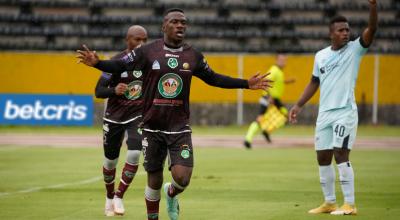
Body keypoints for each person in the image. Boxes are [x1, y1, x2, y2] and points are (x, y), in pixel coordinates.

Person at [77, 8, 272, 220]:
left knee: (183, 178)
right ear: (164, 26)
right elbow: (119, 64)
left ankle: (172, 193)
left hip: (179, 127)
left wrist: (245, 84)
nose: (180, 25)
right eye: (175, 22)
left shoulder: (193, 56)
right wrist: (98, 64)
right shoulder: (147, 51)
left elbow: (214, 79)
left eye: (183, 23)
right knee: (154, 178)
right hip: (151, 126)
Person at [288, 0, 377, 215]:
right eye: (341, 30)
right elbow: (314, 82)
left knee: (341, 154)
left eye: (347, 29)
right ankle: (329, 202)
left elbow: (372, 29)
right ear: (331, 34)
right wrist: (298, 105)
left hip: (344, 112)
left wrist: (373, 7)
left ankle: (350, 204)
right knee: (323, 157)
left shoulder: (355, 50)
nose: (346, 33)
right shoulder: (321, 56)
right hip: (325, 114)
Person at [95, 25, 147, 216]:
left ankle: (119, 195)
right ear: (128, 40)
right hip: (114, 117)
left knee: (134, 153)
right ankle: (109, 197)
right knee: (110, 162)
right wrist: (113, 91)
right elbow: (98, 91)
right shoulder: (116, 61)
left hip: (137, 115)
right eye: (137, 40)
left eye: (144, 40)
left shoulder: (147, 61)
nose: (141, 44)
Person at [244, 53, 295, 149]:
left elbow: (277, 82)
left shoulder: (279, 72)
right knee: (261, 118)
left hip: (275, 99)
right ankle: (248, 139)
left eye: (284, 60)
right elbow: (265, 82)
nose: (283, 62)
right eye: (281, 60)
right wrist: (269, 97)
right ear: (276, 60)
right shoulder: (274, 70)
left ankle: (266, 131)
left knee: (285, 116)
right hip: (269, 98)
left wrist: (287, 82)